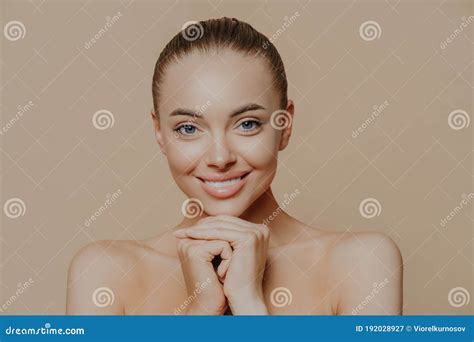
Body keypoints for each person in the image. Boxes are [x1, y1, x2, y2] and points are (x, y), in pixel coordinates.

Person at [66, 17, 403, 315]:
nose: (219, 157)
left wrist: (248, 303)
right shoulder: (105, 272)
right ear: (159, 133)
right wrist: (201, 309)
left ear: (284, 125)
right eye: (188, 128)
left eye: (247, 124)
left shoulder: (360, 263)